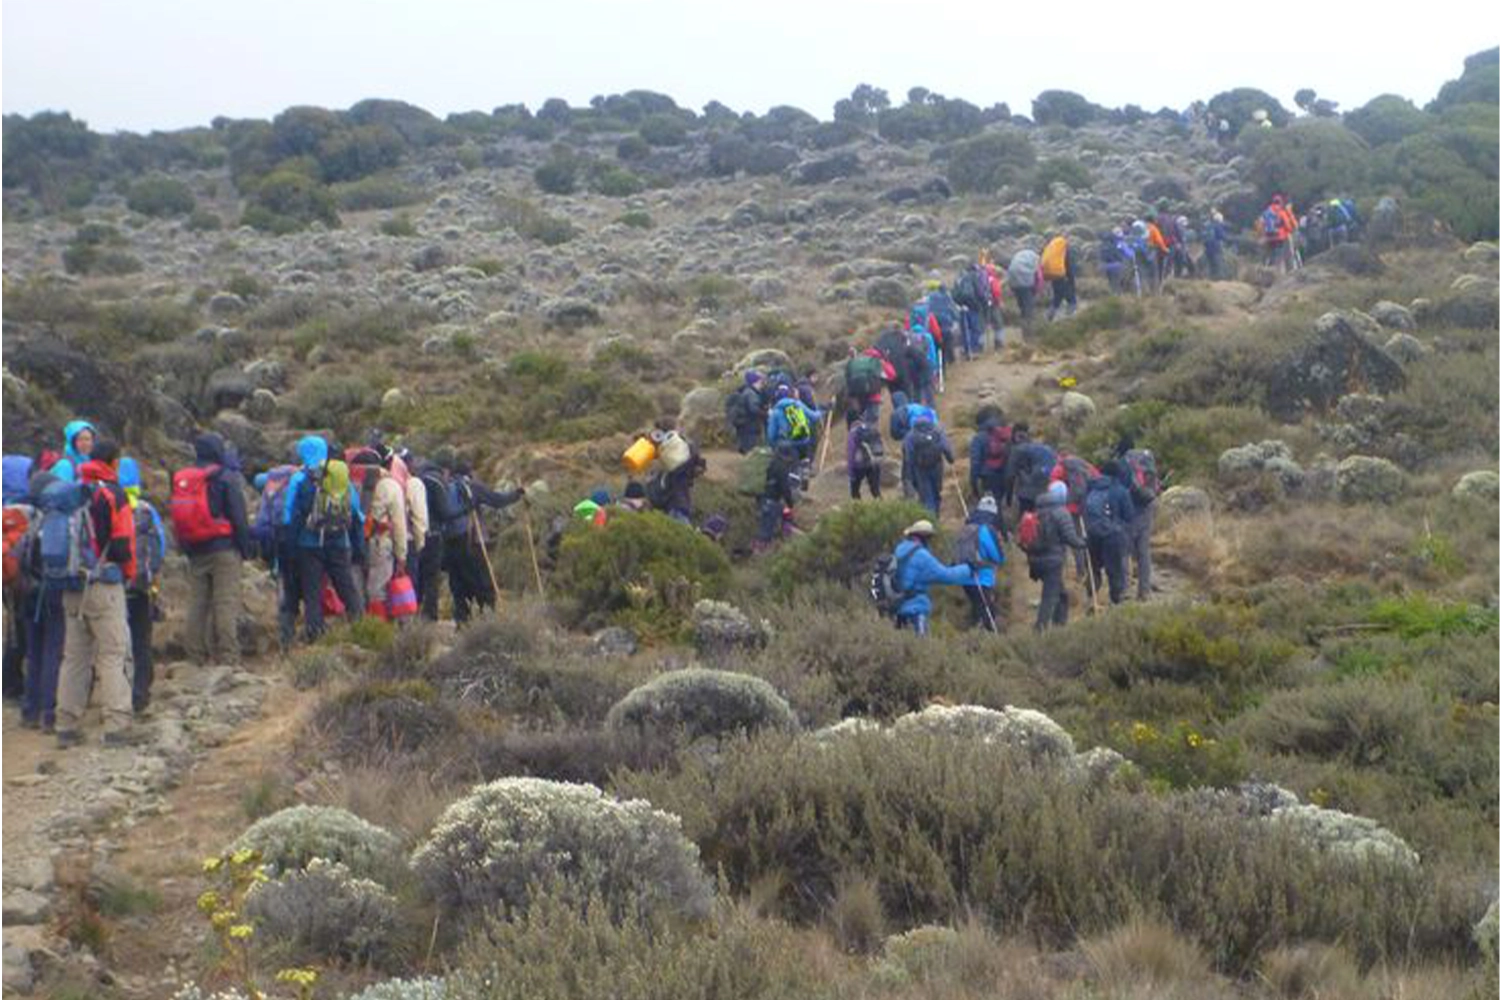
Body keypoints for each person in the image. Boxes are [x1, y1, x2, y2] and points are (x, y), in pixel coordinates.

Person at [54, 440, 140, 748]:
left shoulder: (74, 489)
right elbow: (122, 545)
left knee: (74, 657)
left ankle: (66, 724)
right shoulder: (113, 494)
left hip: (70, 584)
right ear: (114, 462)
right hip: (104, 585)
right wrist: (129, 575)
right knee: (112, 654)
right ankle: (116, 724)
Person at [174, 433, 252, 667]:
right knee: (225, 603)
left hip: (196, 549)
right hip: (224, 549)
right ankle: (228, 658)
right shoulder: (226, 477)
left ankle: (195, 657)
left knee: (197, 603)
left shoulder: (184, 479)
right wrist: (245, 548)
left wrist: (185, 547)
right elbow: (238, 516)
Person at [284, 437, 365, 641]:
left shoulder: (300, 478)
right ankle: (361, 628)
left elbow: (290, 515)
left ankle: (315, 634)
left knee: (312, 592)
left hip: (308, 544)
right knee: (347, 588)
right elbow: (356, 514)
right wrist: (358, 547)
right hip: (339, 541)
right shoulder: (340, 476)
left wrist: (290, 549)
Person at [443, 460, 525, 623]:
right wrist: (517, 494)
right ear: (469, 472)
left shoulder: (445, 488)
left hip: (449, 544)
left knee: (458, 585)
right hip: (472, 543)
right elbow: (497, 501)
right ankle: (487, 618)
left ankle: (461, 622)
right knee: (481, 582)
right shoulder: (472, 487)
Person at [119, 457, 166, 712]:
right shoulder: (146, 509)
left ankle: (118, 693)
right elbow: (161, 546)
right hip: (142, 585)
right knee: (141, 640)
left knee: (115, 643)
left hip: (114, 585)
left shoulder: (108, 504)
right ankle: (140, 694)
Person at [350, 449, 409, 620]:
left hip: (352, 543)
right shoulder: (390, 485)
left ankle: (358, 626)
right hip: (379, 543)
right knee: (377, 590)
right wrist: (402, 555)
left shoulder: (349, 482)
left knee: (356, 589)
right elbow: (399, 523)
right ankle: (378, 629)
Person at [890, 520, 975, 636]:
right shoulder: (922, 556)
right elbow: (946, 576)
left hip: (896, 607)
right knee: (920, 648)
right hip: (915, 609)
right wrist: (968, 568)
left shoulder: (899, 550)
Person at [1026, 480, 1087, 631]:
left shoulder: (1037, 511)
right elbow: (1070, 538)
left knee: (1062, 596)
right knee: (1049, 598)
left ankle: (1060, 627)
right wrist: (1084, 542)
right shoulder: (1061, 513)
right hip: (1052, 562)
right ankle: (1040, 629)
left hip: (1035, 560)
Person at [1082, 461, 1135, 606]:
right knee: (1114, 572)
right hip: (1112, 536)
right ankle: (1115, 603)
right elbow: (1129, 515)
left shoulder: (1090, 487)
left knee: (1093, 569)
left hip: (1092, 534)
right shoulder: (1120, 490)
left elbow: (1083, 509)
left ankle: (1090, 600)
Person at [1116, 436, 1161, 601]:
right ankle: (1144, 591)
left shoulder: (1124, 463)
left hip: (1129, 510)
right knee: (1144, 551)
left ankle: (1125, 590)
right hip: (1147, 508)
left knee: (1124, 551)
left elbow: (1119, 489)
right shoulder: (1147, 458)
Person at [958, 495, 1005, 632]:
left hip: (965, 577)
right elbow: (998, 556)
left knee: (977, 611)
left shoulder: (967, 527)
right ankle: (984, 645)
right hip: (982, 578)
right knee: (987, 615)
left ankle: (973, 641)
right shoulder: (986, 530)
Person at [903, 414, 954, 515]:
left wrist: (909, 474)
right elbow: (946, 447)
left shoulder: (911, 435)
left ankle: (931, 519)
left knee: (926, 495)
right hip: (937, 466)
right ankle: (936, 514)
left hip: (920, 469)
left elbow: (908, 455)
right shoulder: (938, 431)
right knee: (936, 492)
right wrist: (950, 459)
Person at [757, 442, 801, 551]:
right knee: (766, 530)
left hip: (762, 498)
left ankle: (760, 551)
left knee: (764, 526)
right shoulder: (781, 467)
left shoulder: (771, 463)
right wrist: (790, 503)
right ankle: (762, 552)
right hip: (772, 501)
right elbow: (785, 488)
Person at [766, 386, 821, 464]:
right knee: (802, 463)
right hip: (803, 440)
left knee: (788, 465)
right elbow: (814, 417)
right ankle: (805, 469)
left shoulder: (775, 412)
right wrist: (821, 410)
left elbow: (771, 435)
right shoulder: (798, 404)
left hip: (785, 443)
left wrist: (773, 446)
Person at [967, 408, 1011, 503]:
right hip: (1005, 474)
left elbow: (975, 463)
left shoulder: (979, 438)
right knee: (999, 502)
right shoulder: (1005, 433)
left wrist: (973, 483)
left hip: (988, 478)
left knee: (991, 507)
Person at [1007, 432, 1057, 514]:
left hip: (1028, 492)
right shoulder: (1048, 449)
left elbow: (1009, 476)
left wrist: (1008, 499)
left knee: (1026, 517)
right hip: (1046, 491)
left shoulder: (1018, 450)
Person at [726, 372, 768, 454]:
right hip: (749, 425)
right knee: (750, 448)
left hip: (743, 424)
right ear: (754, 383)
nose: (761, 385)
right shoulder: (751, 394)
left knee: (745, 445)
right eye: (759, 382)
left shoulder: (746, 391)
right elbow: (754, 409)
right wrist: (766, 413)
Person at [1042, 234, 1080, 321]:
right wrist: (1071, 279)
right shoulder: (1063, 250)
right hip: (1062, 276)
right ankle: (1072, 320)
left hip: (1053, 275)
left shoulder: (1051, 248)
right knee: (1071, 300)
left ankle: (1048, 317)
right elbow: (1068, 265)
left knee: (1057, 298)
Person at [847, 415, 884, 499]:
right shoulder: (872, 430)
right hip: (875, 461)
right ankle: (882, 507)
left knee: (855, 490)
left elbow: (851, 453)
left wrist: (851, 472)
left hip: (860, 464)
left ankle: (858, 509)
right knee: (875, 490)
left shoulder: (853, 433)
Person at [49, 419, 97, 484]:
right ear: (72, 443)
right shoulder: (65, 465)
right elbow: (62, 492)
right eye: (80, 439)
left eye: (87, 439)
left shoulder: (92, 463)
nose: (85, 443)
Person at [1007, 247, 1042, 321]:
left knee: (1021, 300)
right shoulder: (1036, 257)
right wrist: (1037, 289)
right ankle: (1029, 322)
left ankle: (1022, 318)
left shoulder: (1019, 254)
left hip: (1013, 277)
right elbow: (1038, 275)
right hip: (1024, 279)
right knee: (1028, 302)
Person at [1201, 211, 1228, 280]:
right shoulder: (1218, 226)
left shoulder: (1208, 225)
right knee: (1217, 263)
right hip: (1216, 247)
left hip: (1207, 247)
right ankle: (1217, 279)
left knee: (1210, 263)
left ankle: (1210, 278)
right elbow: (1222, 236)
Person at [1100, 229, 1128, 295]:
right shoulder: (1117, 244)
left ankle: (1113, 295)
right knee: (1118, 282)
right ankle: (1118, 295)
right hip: (1116, 266)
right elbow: (1122, 255)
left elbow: (1101, 257)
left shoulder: (1102, 246)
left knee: (1111, 282)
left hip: (1106, 266)